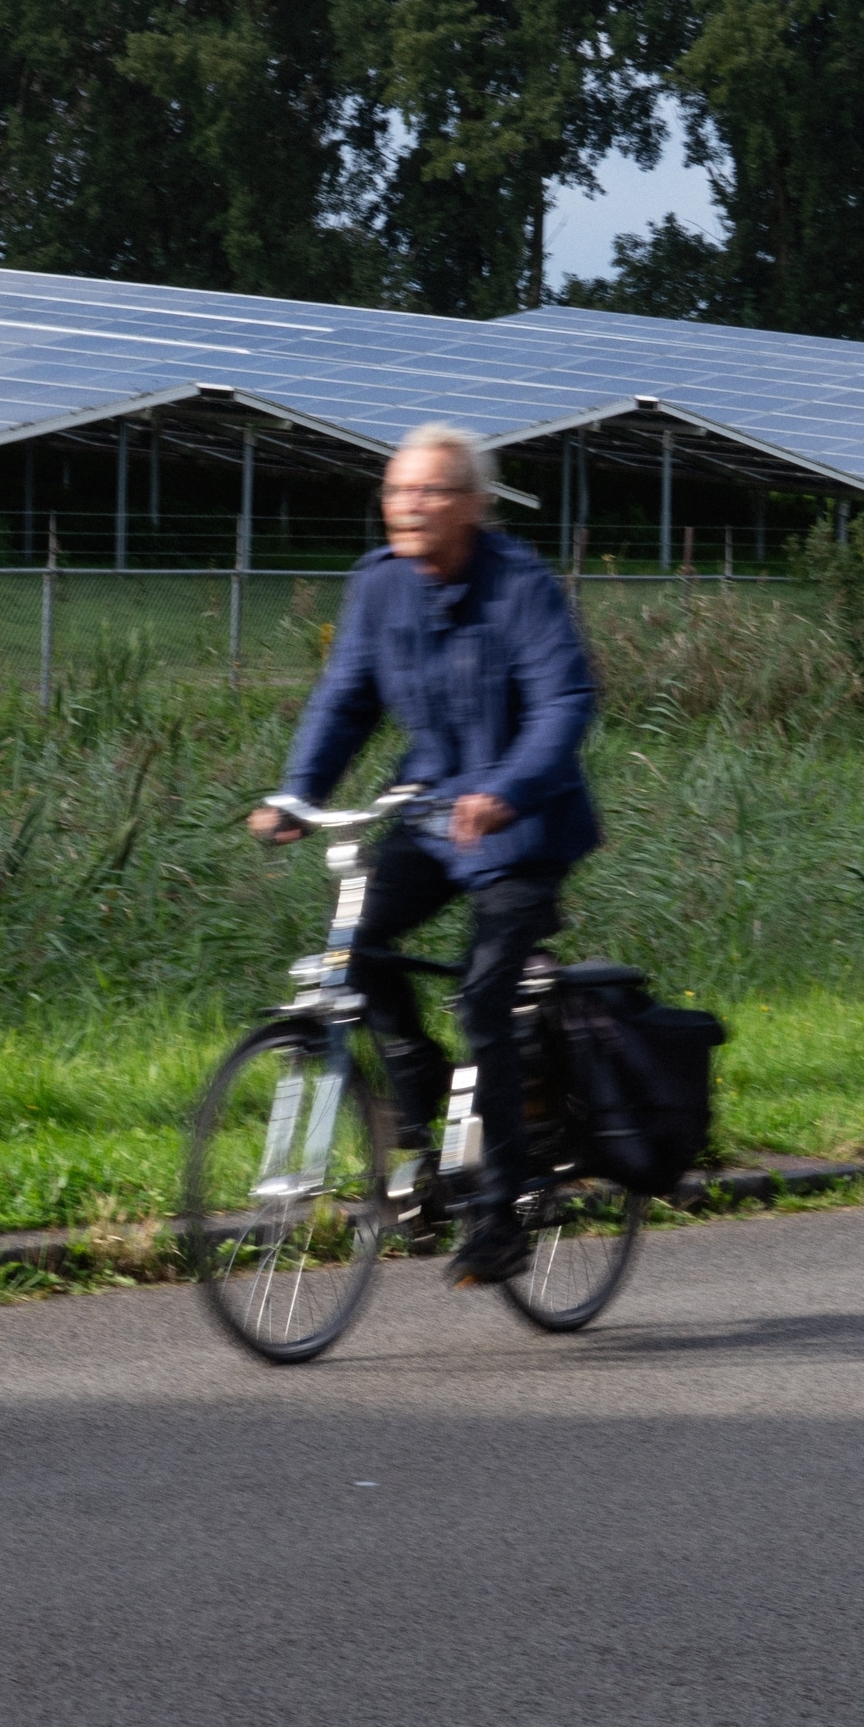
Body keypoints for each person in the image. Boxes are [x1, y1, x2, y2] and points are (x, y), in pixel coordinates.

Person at [249, 422, 601, 1287]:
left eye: (431, 492)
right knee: (355, 951)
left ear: (474, 506)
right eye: (398, 491)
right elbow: (346, 701)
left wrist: (507, 789)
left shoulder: (519, 585)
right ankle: (423, 1097)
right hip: (431, 815)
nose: (409, 506)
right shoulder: (379, 587)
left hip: (523, 827)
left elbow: (566, 701)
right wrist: (297, 793)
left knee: (485, 998)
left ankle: (503, 1214)